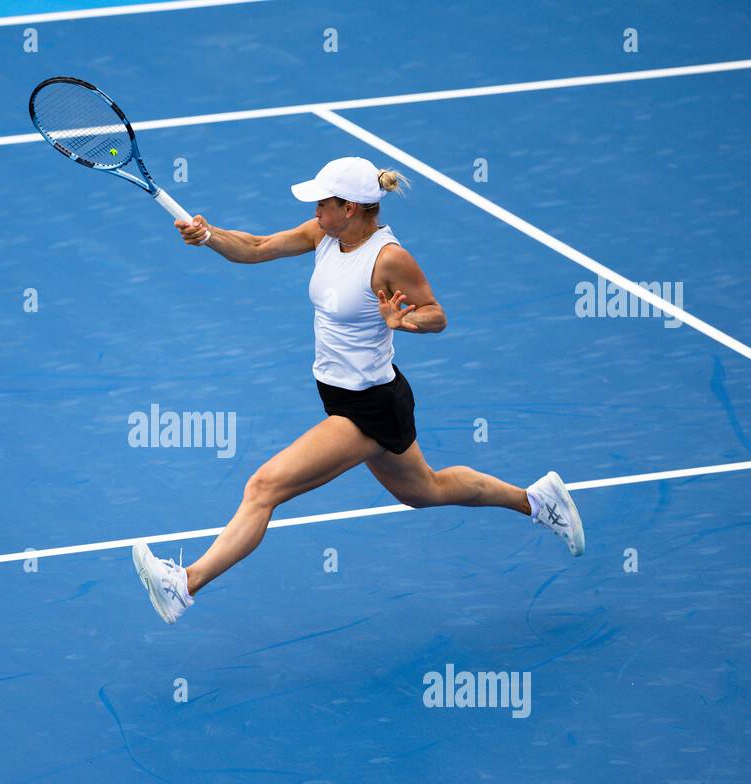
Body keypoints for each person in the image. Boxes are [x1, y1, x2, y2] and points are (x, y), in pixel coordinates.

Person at [132, 156, 584, 624]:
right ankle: (537, 500)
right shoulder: (323, 234)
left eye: (322, 202)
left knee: (263, 487)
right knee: (424, 489)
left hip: (368, 407)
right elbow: (258, 246)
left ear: (350, 208)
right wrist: (209, 236)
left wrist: (403, 320)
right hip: (346, 396)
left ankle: (184, 584)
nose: (315, 209)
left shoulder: (388, 258)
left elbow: (436, 315)